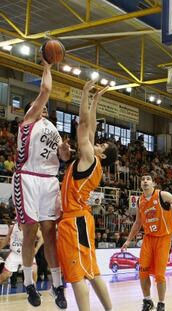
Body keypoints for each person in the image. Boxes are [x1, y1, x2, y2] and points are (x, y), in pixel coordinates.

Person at [12, 57, 71, 308]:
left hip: (49, 181)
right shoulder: (28, 122)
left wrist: (66, 151)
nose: (44, 108)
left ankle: (58, 286)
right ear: (32, 109)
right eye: (40, 106)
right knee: (30, 231)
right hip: (28, 178)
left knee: (50, 233)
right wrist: (47, 65)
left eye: (45, 108)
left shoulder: (53, 129)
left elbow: (64, 156)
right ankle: (28, 282)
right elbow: (45, 91)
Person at [56, 80, 118, 311]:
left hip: (75, 221)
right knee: (91, 271)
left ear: (101, 156)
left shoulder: (90, 158)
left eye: (101, 145)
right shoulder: (91, 160)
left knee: (77, 276)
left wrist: (83, 93)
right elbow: (90, 128)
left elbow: (83, 125)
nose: (97, 143)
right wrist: (96, 100)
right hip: (80, 219)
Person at [122, 175, 172, 311]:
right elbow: (138, 223)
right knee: (142, 272)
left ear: (153, 183)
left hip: (164, 238)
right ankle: (147, 300)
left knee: (159, 275)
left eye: (148, 179)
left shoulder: (162, 195)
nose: (145, 181)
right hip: (148, 239)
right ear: (140, 184)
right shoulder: (140, 201)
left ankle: (161, 303)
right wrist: (128, 240)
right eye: (142, 179)